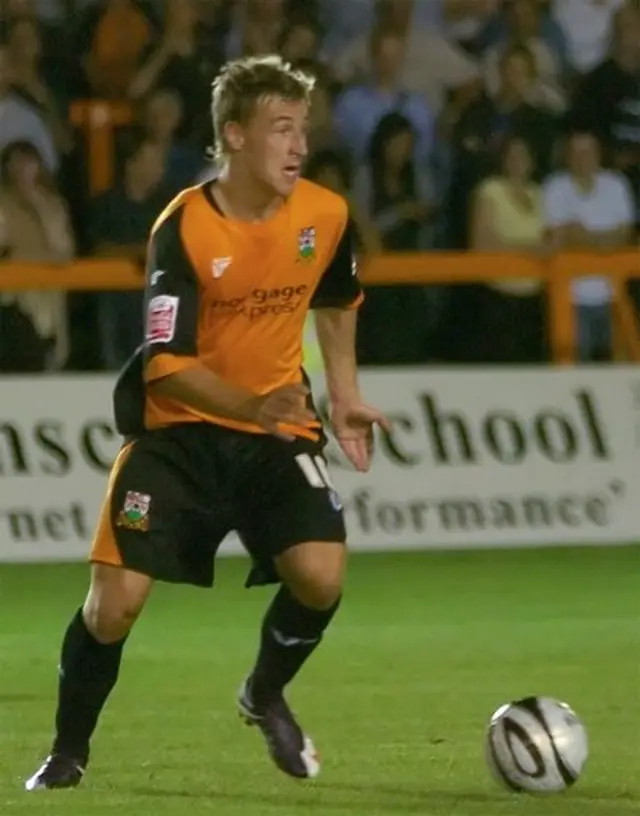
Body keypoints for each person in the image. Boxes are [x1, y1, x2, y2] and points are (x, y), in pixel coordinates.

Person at [25, 54, 388, 792]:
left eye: (302, 130)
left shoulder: (325, 214)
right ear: (235, 136)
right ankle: (68, 750)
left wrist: (343, 393)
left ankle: (262, 692)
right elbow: (166, 365)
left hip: (272, 434)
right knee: (113, 607)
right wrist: (253, 404)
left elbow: (339, 299)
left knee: (320, 575)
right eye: (281, 129)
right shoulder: (185, 227)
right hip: (177, 437)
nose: (298, 146)